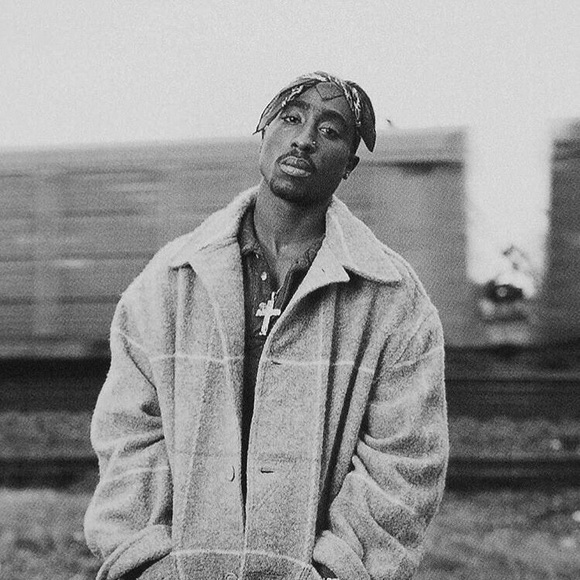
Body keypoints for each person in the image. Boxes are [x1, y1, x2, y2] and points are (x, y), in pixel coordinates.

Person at [84, 71, 449, 580]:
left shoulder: (394, 300)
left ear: (349, 164)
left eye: (330, 130)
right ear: (264, 134)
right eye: (291, 118)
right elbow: (128, 435)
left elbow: (405, 463)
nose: (304, 138)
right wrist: (147, 562)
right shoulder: (168, 282)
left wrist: (336, 572)